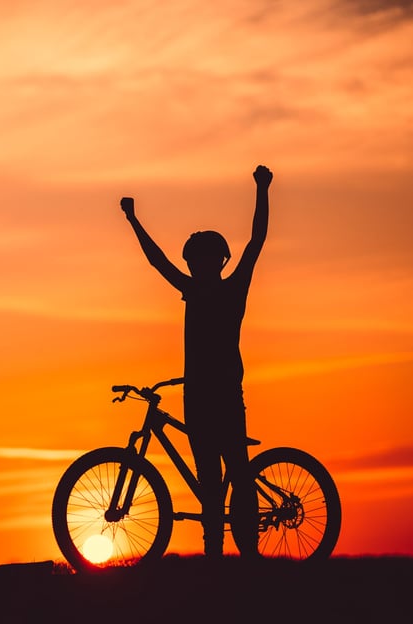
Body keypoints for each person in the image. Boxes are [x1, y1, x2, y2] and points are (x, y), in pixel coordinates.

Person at [119, 165, 272, 557]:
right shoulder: (189, 289)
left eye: (204, 260)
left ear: (218, 262)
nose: (197, 266)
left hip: (224, 396)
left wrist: (262, 189)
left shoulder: (233, 288)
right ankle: (215, 560)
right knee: (208, 483)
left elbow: (256, 241)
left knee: (237, 474)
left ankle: (249, 556)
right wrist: (133, 219)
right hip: (198, 399)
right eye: (194, 261)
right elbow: (157, 261)